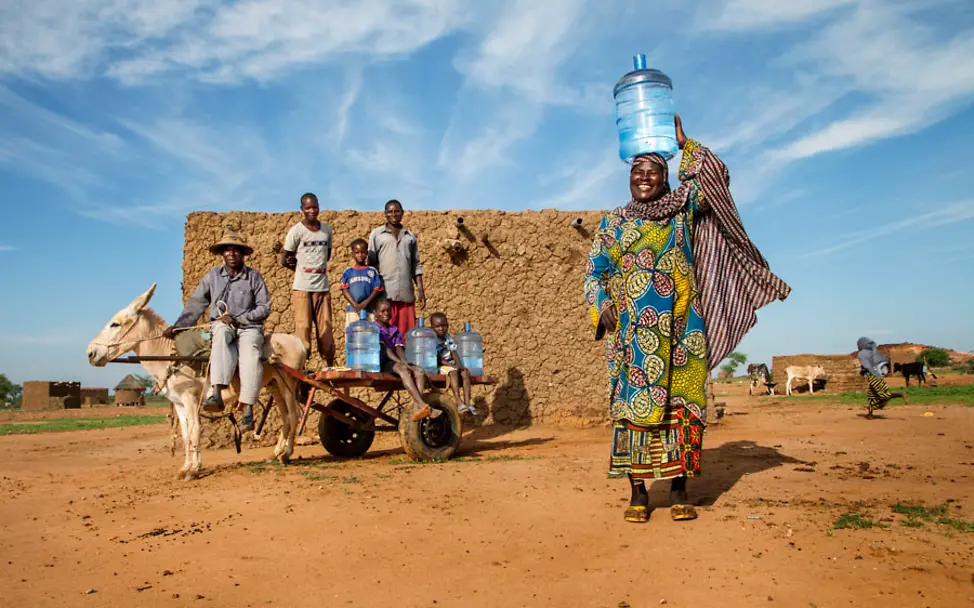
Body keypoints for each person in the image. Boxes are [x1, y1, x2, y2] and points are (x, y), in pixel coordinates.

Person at [584, 115, 790, 523]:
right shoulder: (614, 222)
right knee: (633, 413)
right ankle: (639, 494)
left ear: (664, 177)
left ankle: (679, 489)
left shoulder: (682, 210)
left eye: (653, 172)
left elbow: (716, 177)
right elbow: (594, 272)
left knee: (683, 412)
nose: (644, 178)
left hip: (682, 330)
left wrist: (684, 144)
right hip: (632, 336)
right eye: (637, 172)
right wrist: (601, 304)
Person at [164, 228, 271, 431]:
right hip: (222, 325)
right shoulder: (212, 276)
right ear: (222, 254)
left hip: (248, 328)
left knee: (250, 354)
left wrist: (240, 319)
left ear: (243, 254)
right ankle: (217, 393)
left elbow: (264, 307)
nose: (231, 254)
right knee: (220, 333)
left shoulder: (254, 277)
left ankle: (248, 408)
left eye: (236, 250)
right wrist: (179, 326)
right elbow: (196, 302)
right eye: (227, 250)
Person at [281, 192, 336, 366]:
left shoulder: (326, 230)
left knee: (325, 328)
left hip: (322, 288)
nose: (312, 210)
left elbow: (326, 255)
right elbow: (285, 259)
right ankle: (301, 367)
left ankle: (330, 365)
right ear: (302, 210)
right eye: (308, 208)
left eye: (315, 207)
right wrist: (300, 270)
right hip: (302, 288)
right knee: (303, 328)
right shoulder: (296, 231)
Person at [367, 199, 425, 336]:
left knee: (406, 335)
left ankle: (405, 358)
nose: (394, 214)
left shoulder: (410, 237)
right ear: (385, 214)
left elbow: (415, 264)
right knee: (387, 334)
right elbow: (371, 264)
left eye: (397, 211)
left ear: (402, 213)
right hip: (385, 294)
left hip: (406, 295)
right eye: (390, 212)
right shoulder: (376, 235)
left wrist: (421, 289)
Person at [373, 297, 434, 421]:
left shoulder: (394, 330)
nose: (386, 314)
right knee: (403, 369)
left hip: (394, 361)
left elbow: (399, 348)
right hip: (382, 362)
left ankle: (418, 407)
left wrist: (406, 362)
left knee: (419, 371)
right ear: (376, 313)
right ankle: (422, 405)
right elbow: (386, 350)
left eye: (388, 311)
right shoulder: (374, 329)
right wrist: (401, 363)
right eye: (382, 311)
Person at [429, 311, 475, 415]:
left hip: (450, 364)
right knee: (453, 372)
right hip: (439, 365)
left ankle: (467, 403)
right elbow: (436, 358)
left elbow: (453, 352)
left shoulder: (448, 337)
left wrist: (460, 366)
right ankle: (458, 401)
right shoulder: (431, 340)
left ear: (447, 325)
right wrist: (452, 366)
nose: (441, 328)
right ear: (432, 327)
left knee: (465, 373)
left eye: (444, 326)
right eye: (437, 326)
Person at [857, 337, 908, 418]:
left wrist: (863, 371)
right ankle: (870, 414)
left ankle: (900, 394)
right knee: (871, 395)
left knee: (883, 395)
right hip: (874, 376)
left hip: (874, 377)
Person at [340, 238, 384, 327]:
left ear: (367, 254)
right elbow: (344, 289)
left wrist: (365, 303)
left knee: (370, 334)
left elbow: (377, 289)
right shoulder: (348, 272)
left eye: (363, 252)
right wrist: (355, 305)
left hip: (369, 309)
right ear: (352, 254)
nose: (360, 255)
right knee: (352, 334)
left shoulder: (372, 271)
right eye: (357, 252)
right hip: (353, 310)